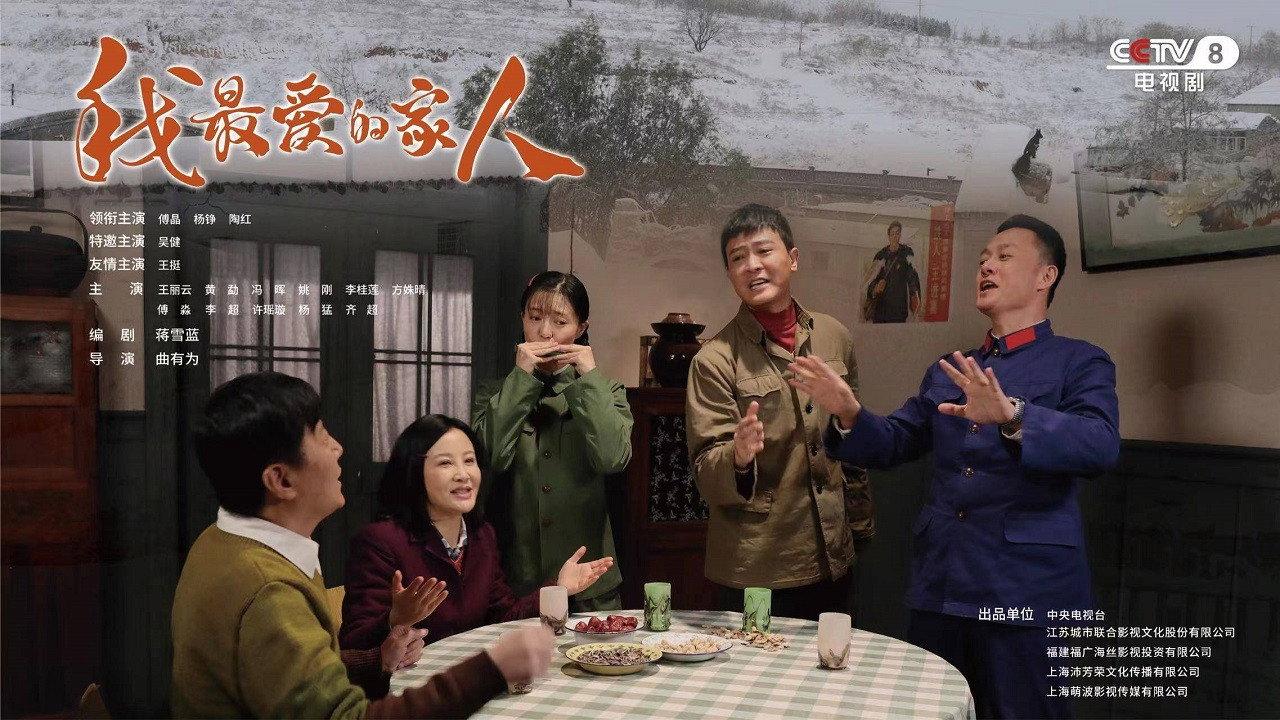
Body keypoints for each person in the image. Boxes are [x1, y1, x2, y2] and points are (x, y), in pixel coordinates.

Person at [793, 214, 1120, 718]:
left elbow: (1100, 444)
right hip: (942, 585)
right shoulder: (950, 368)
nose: (986, 265)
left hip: (1030, 594)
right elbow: (897, 441)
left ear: (1046, 276)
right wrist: (850, 413)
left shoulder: (1080, 361)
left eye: (1004, 256)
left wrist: (1013, 416)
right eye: (983, 258)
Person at [172, 371, 556, 718]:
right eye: (322, 436)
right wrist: (491, 670)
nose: (338, 448)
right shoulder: (269, 590)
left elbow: (300, 673)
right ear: (281, 481)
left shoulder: (225, 542)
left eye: (469, 461)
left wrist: (378, 660)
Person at [685, 203, 876, 621]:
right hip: (757, 566)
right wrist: (737, 456)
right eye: (738, 258)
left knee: (832, 659)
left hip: (833, 553)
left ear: (792, 258)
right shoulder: (714, 360)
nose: (752, 265)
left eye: (763, 251)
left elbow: (852, 440)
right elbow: (705, 470)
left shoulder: (835, 337)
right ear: (730, 274)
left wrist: (860, 527)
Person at [341, 414, 614, 650]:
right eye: (446, 463)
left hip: (468, 678)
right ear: (413, 470)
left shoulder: (482, 536)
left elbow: (503, 618)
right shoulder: (380, 541)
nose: (463, 474)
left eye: (469, 461)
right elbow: (354, 644)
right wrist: (394, 619)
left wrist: (559, 587)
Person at [472, 271, 632, 612]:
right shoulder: (494, 393)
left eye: (560, 322)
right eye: (535, 318)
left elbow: (612, 458)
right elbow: (492, 458)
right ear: (522, 320)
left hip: (592, 584)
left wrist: (589, 377)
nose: (545, 332)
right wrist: (521, 378)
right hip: (518, 584)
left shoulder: (608, 391)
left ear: (581, 328)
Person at [863, 220, 922, 323]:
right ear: (889, 235)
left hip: (899, 308)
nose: (895, 236)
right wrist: (876, 288)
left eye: (897, 233)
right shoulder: (881, 255)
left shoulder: (906, 253)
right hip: (881, 308)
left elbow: (912, 277)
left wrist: (915, 296)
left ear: (900, 235)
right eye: (892, 234)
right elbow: (870, 281)